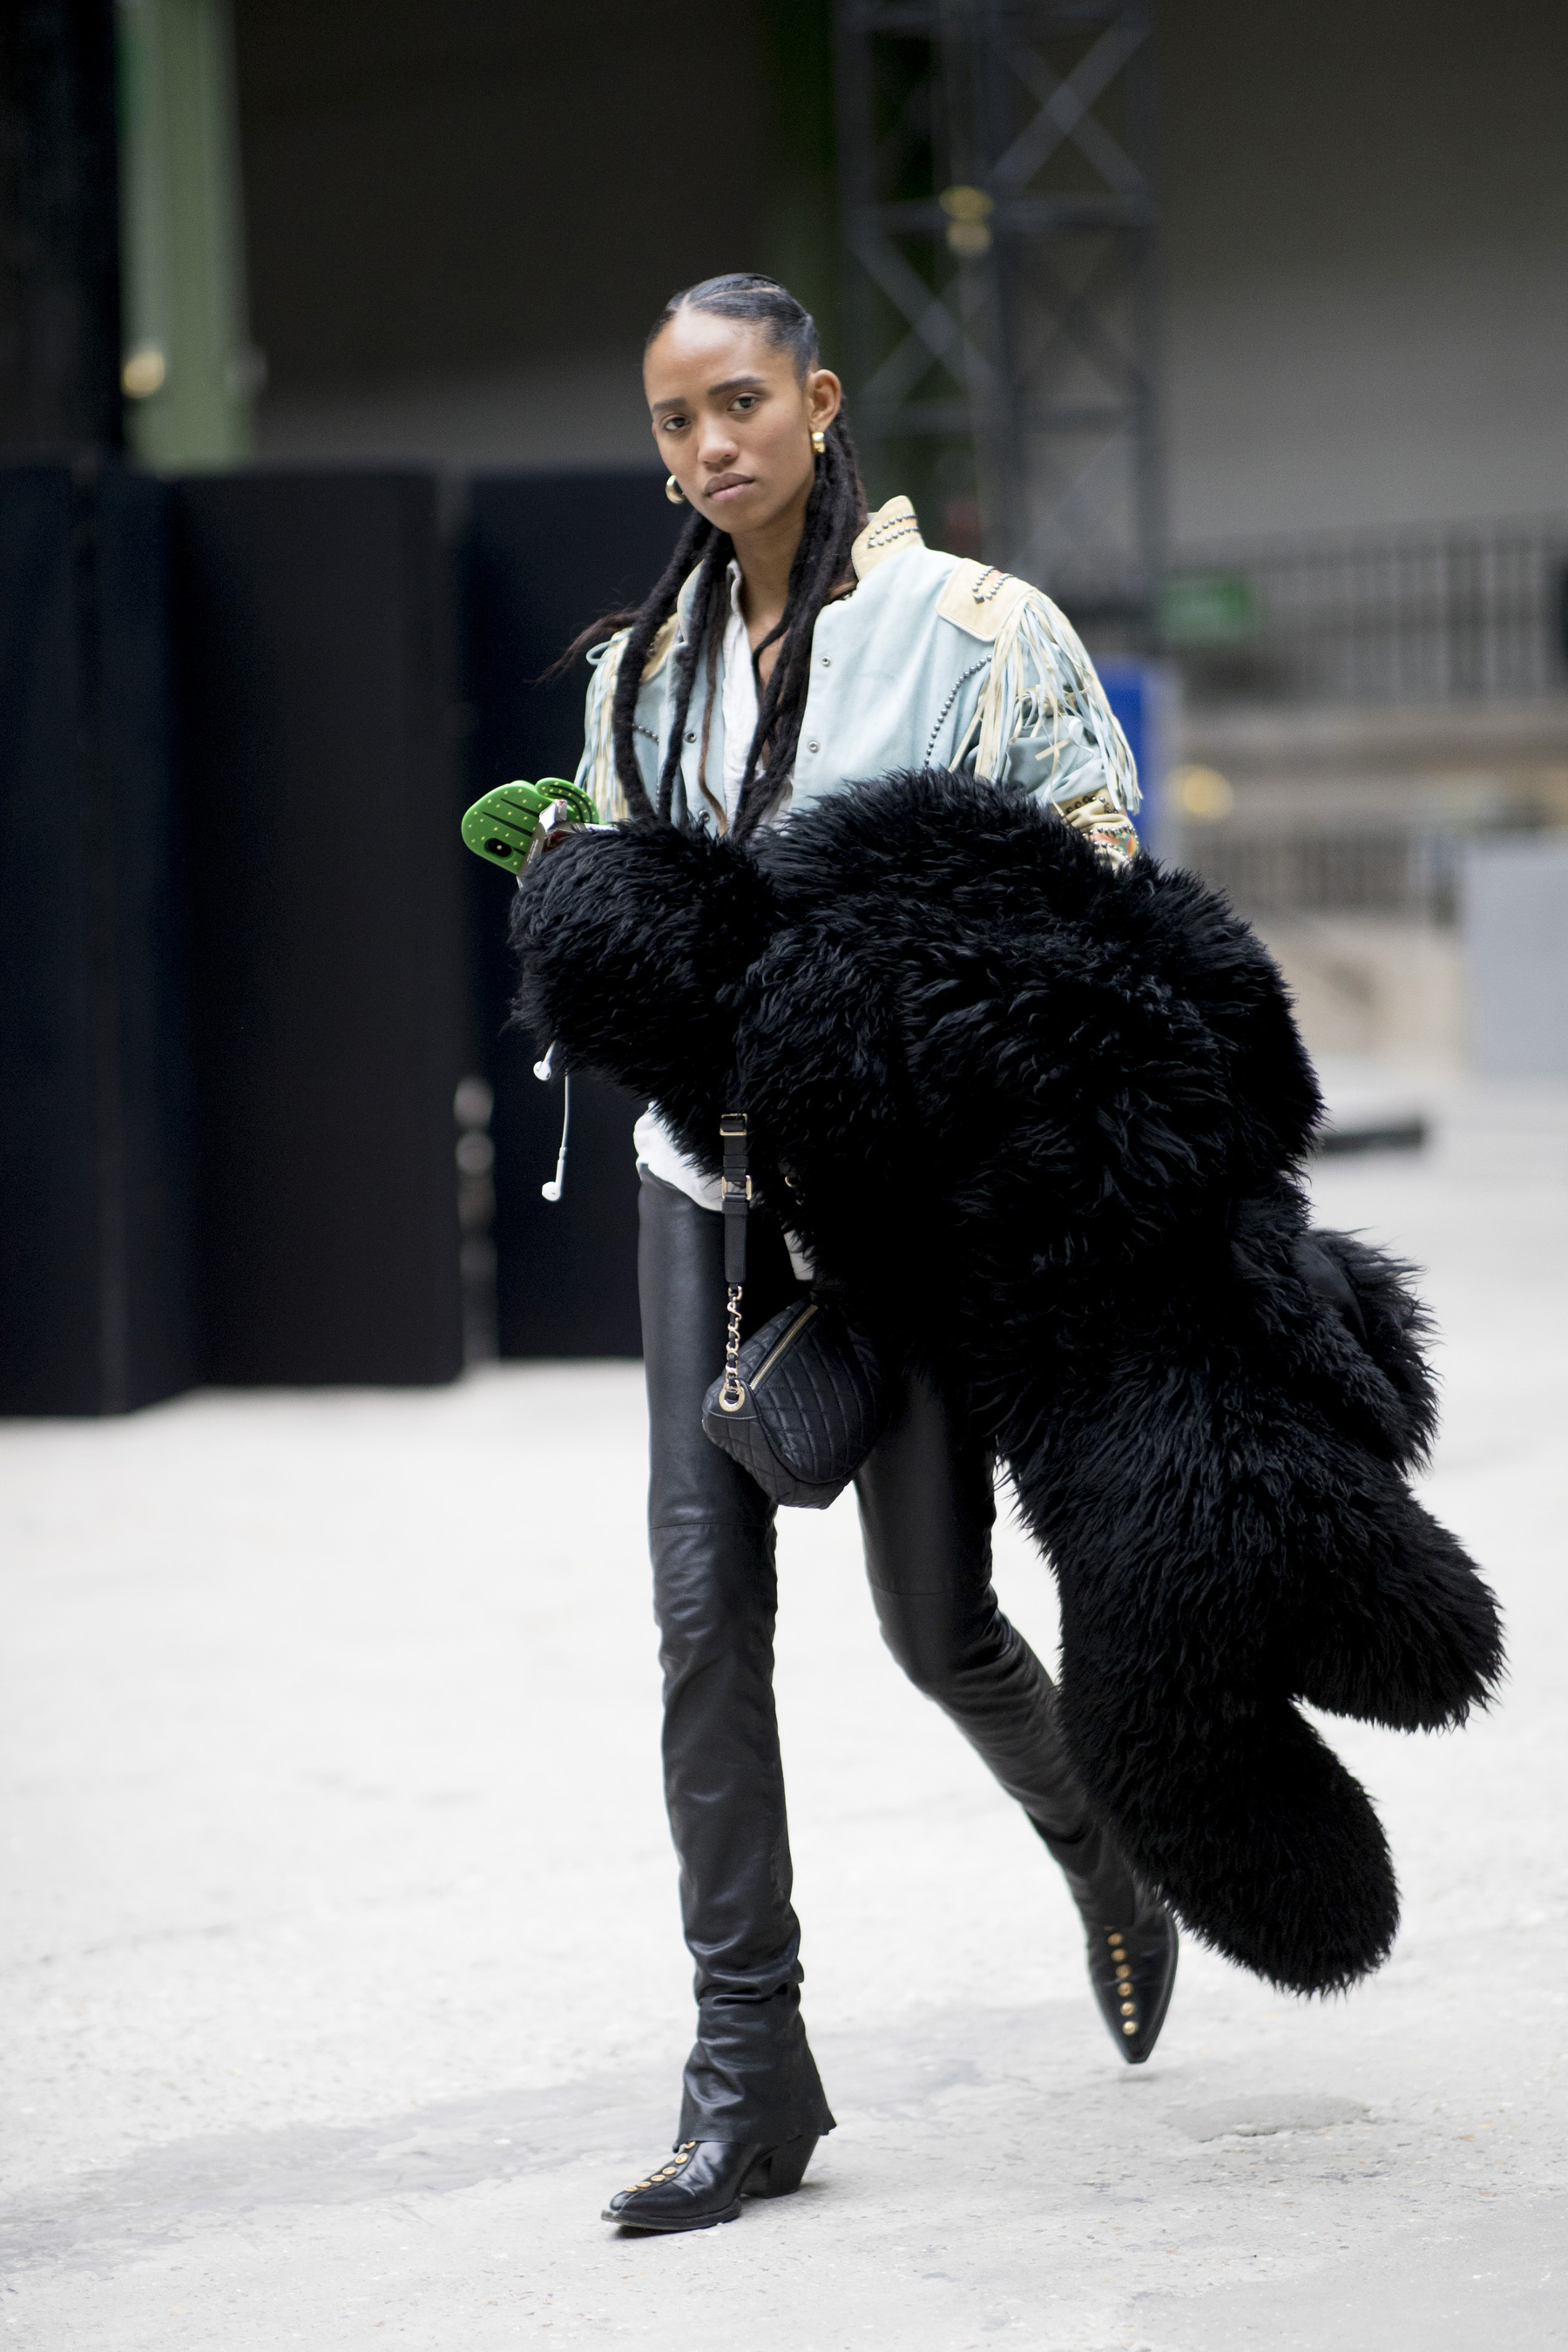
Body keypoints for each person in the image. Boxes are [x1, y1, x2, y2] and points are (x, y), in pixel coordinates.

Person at [558, 273, 1177, 2234]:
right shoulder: (637, 676)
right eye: (673, 420)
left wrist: (899, 996)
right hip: (699, 1180)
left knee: (934, 1627)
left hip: (896, 1195)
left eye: (738, 402)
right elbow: (610, 889)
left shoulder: (975, 633)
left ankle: (1099, 1836)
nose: (707, 446)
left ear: (819, 404)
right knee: (696, 1612)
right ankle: (751, 2068)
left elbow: (1096, 851)